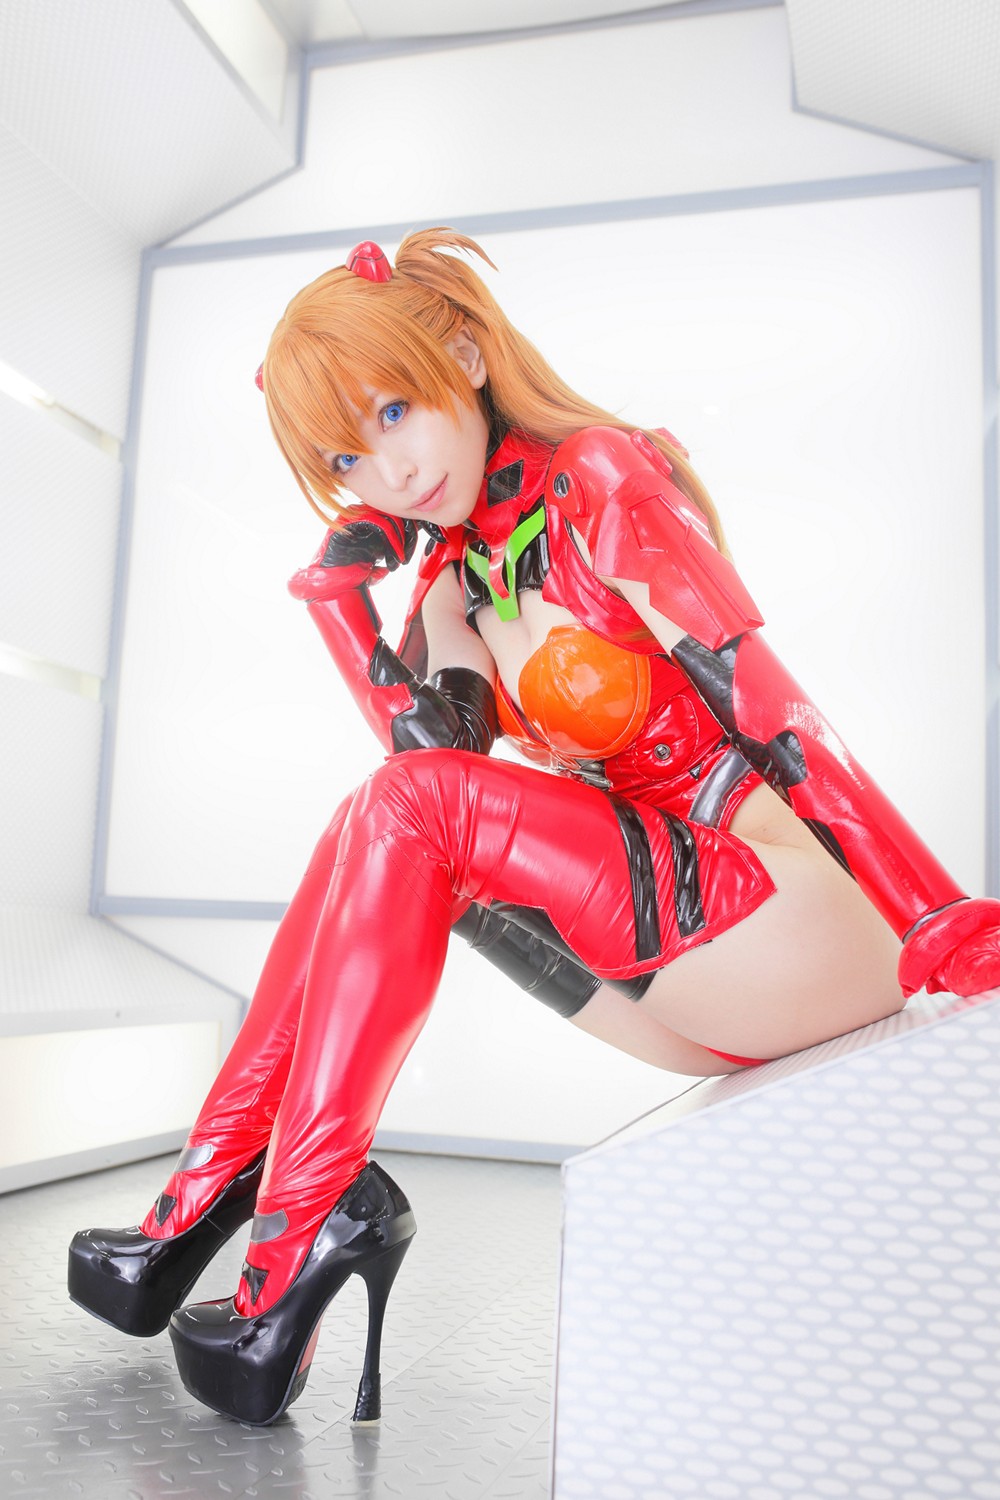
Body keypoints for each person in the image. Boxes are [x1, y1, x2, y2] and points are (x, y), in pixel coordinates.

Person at [68, 228, 1000, 1428]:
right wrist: (341, 607)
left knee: (407, 815)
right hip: (686, 980)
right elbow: (423, 779)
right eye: (348, 455)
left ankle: (283, 1248)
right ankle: (198, 1207)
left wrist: (935, 913)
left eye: (394, 411)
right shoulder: (455, 575)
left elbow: (771, 705)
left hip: (797, 917)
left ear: (463, 354)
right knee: (377, 825)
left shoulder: (601, 477)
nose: (389, 473)